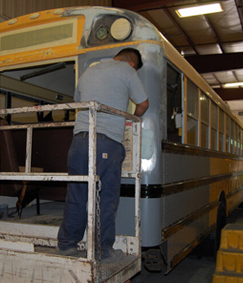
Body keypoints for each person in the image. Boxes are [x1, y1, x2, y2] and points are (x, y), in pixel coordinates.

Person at [57, 48, 149, 261]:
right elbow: (143, 104)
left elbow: (78, 100)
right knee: (105, 199)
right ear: (132, 64)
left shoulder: (89, 70)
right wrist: (130, 120)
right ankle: (101, 250)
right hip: (106, 143)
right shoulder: (127, 71)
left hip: (79, 141)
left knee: (77, 196)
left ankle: (66, 245)